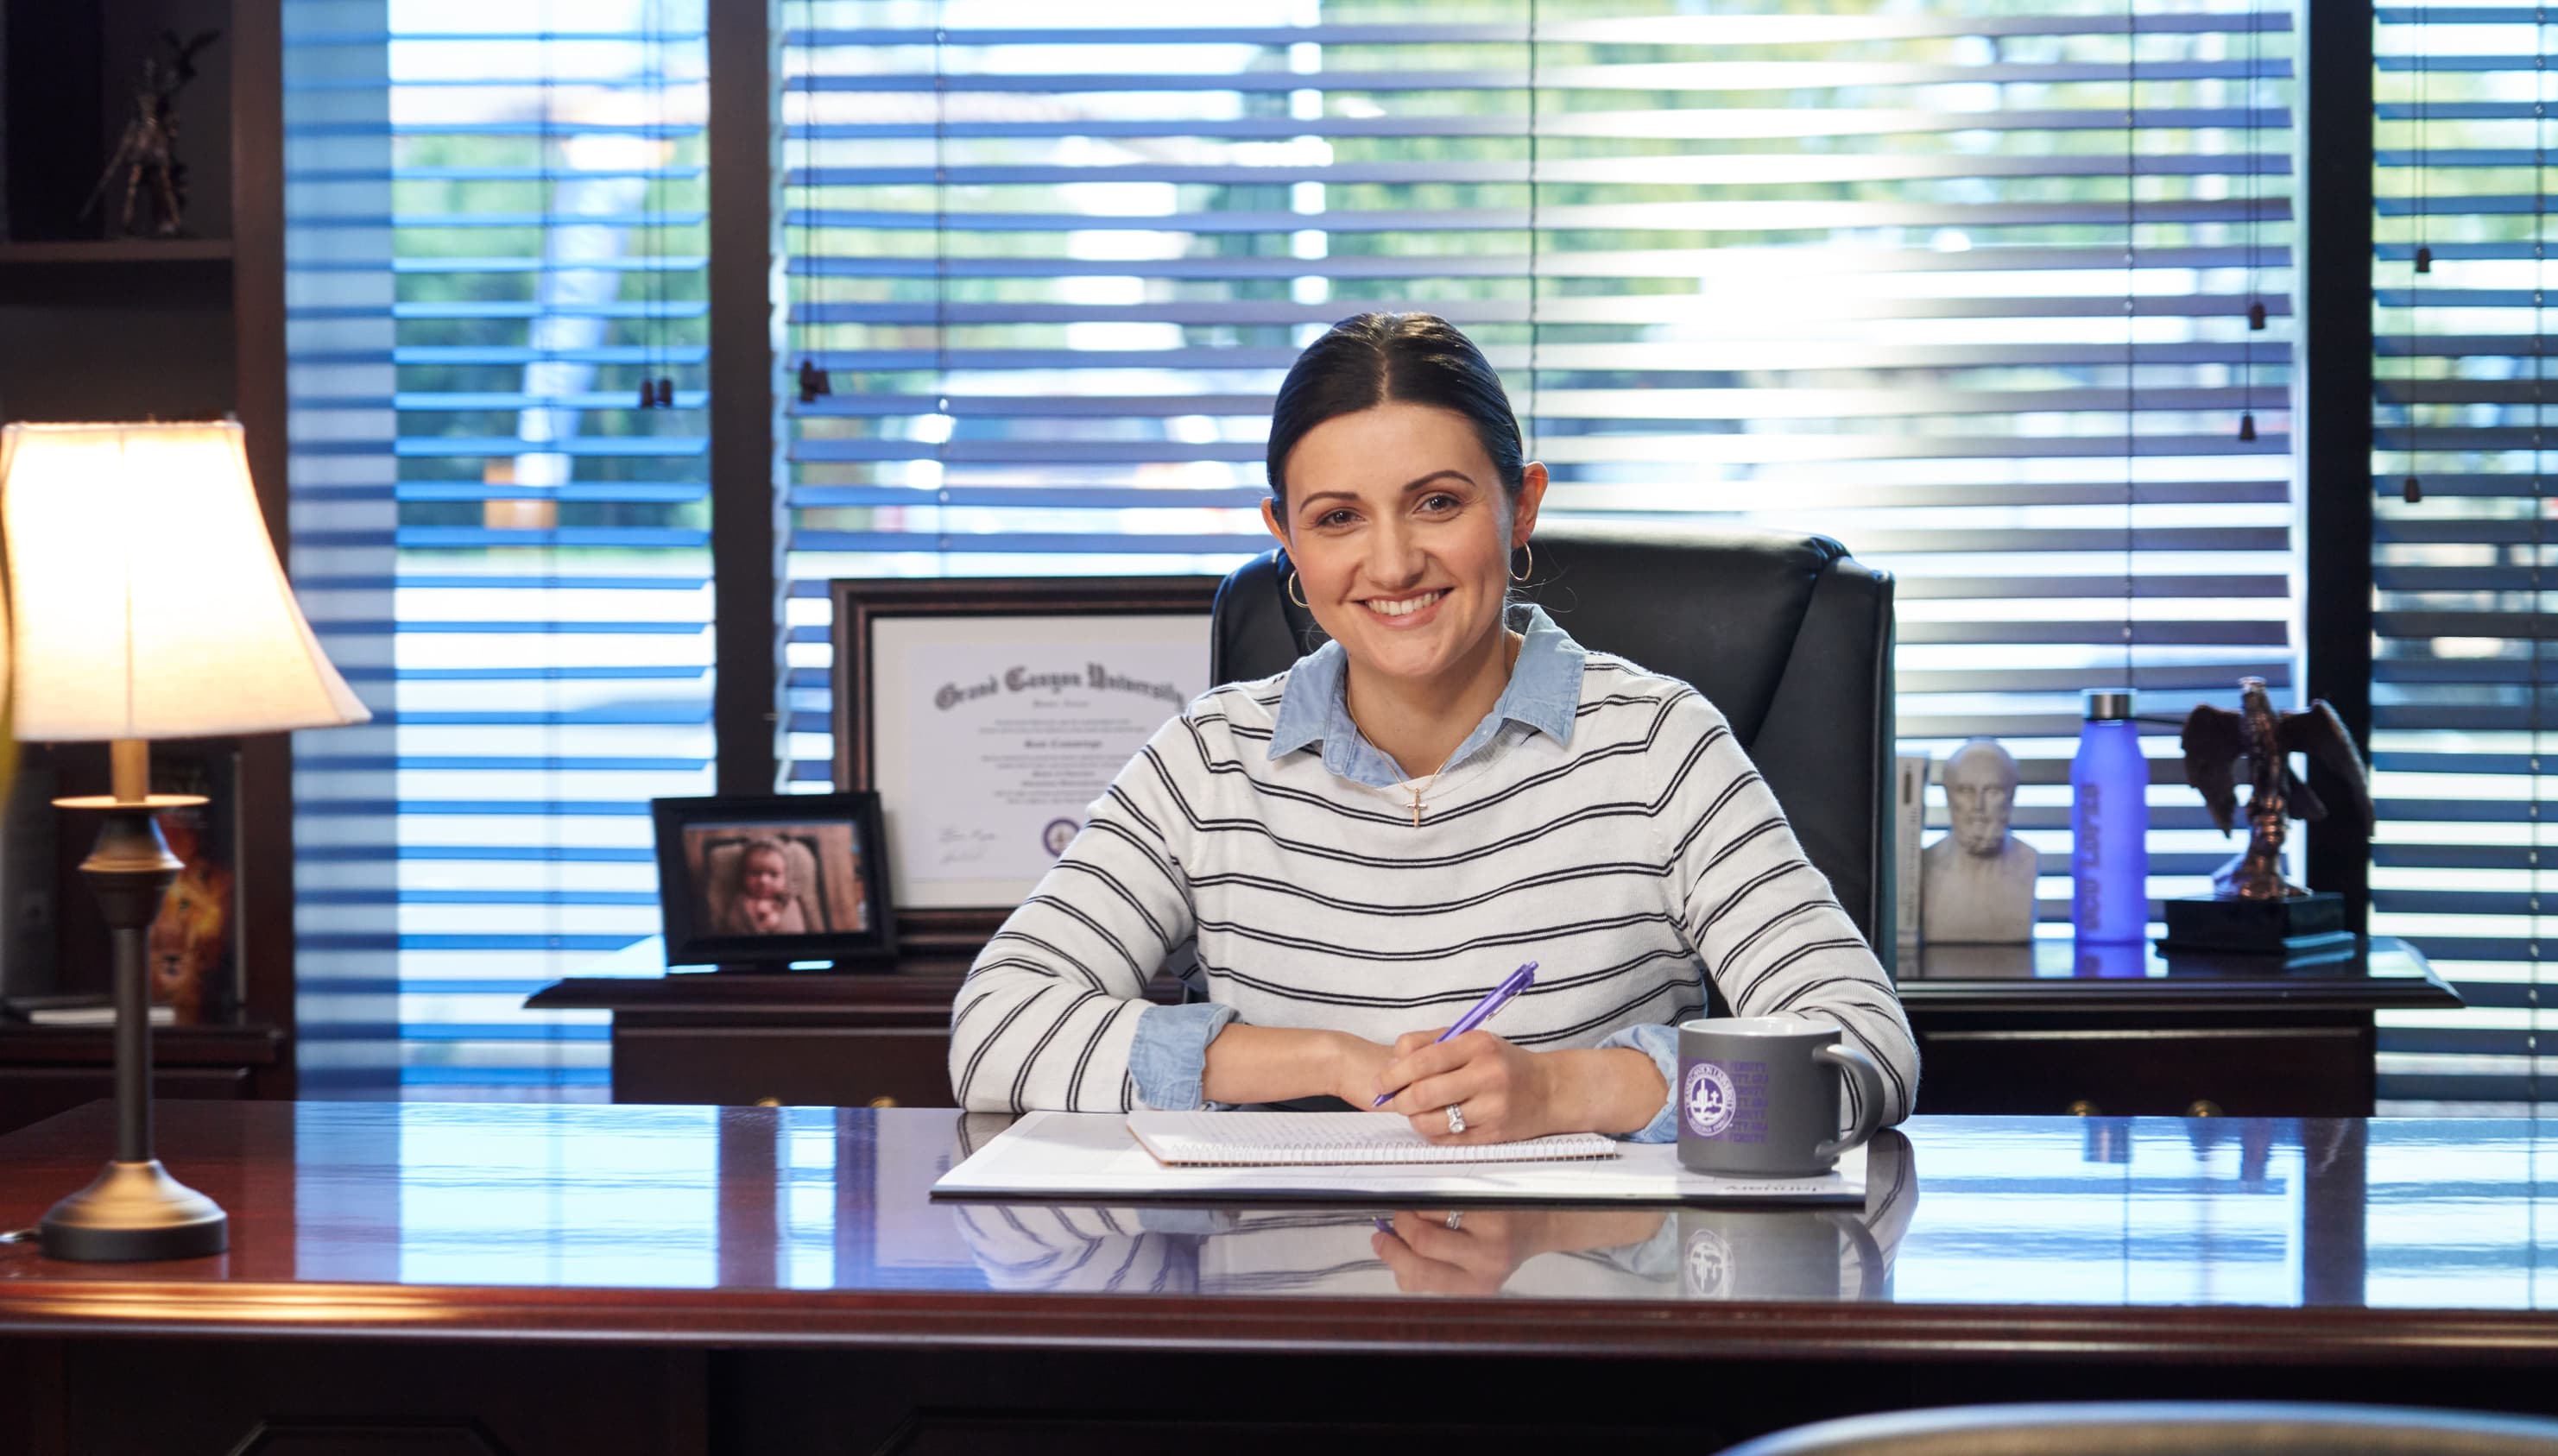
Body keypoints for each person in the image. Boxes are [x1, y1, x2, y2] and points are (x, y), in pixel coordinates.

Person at [949, 312, 1916, 1143]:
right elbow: (993, 1030)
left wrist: (1566, 1088)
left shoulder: (1659, 746)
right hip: (1276, 1316)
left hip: (1596, 1316)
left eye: (1438, 503)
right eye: (1336, 518)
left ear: (1520, 506)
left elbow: (1861, 1047)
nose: (1394, 562)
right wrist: (1323, 1059)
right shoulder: (1209, 760)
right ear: (1284, 536)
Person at [1919, 738, 2037, 944]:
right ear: (1948, 795)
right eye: (1965, 790)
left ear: (2011, 795)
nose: (1978, 806)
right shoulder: (1924, 863)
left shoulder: (2029, 859)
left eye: (1992, 791)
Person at [718, 836, 807, 936]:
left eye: (774, 874)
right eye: (755, 873)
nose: (763, 881)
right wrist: (760, 925)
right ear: (743, 875)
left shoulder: (790, 904)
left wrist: (776, 920)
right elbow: (731, 929)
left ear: (786, 878)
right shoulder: (739, 903)